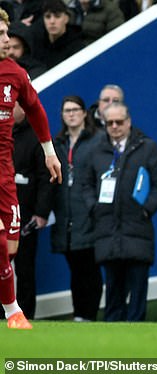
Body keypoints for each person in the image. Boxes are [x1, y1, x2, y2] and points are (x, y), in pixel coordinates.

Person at [0, 8, 62, 329]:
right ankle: (13, 311)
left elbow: (36, 111)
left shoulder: (15, 73)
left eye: (6, 33)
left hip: (4, 171)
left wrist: (49, 152)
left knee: (10, 248)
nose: (6, 40)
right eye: (0, 35)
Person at [83, 101, 157, 321]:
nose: (114, 126)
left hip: (137, 228)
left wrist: (146, 210)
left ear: (128, 122)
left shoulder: (147, 147)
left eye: (119, 122)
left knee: (137, 293)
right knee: (113, 291)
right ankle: (111, 341)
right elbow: (86, 184)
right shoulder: (97, 149)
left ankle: (138, 341)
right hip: (107, 230)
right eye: (109, 122)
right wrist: (94, 207)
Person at [51, 95, 103, 322]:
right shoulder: (57, 143)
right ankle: (79, 314)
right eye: (66, 110)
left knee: (90, 268)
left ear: (84, 113)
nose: (71, 114)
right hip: (65, 216)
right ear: (62, 115)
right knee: (75, 268)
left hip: (89, 214)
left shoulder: (98, 140)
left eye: (75, 109)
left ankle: (89, 314)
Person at [12, 101, 54, 319]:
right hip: (2, 214)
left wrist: (41, 212)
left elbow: (45, 178)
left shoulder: (37, 135)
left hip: (26, 215)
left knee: (25, 268)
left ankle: (26, 315)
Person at [31, 0, 83, 70]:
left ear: (66, 19)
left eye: (57, 16)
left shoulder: (77, 47)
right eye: (47, 17)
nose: (52, 21)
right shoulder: (37, 43)